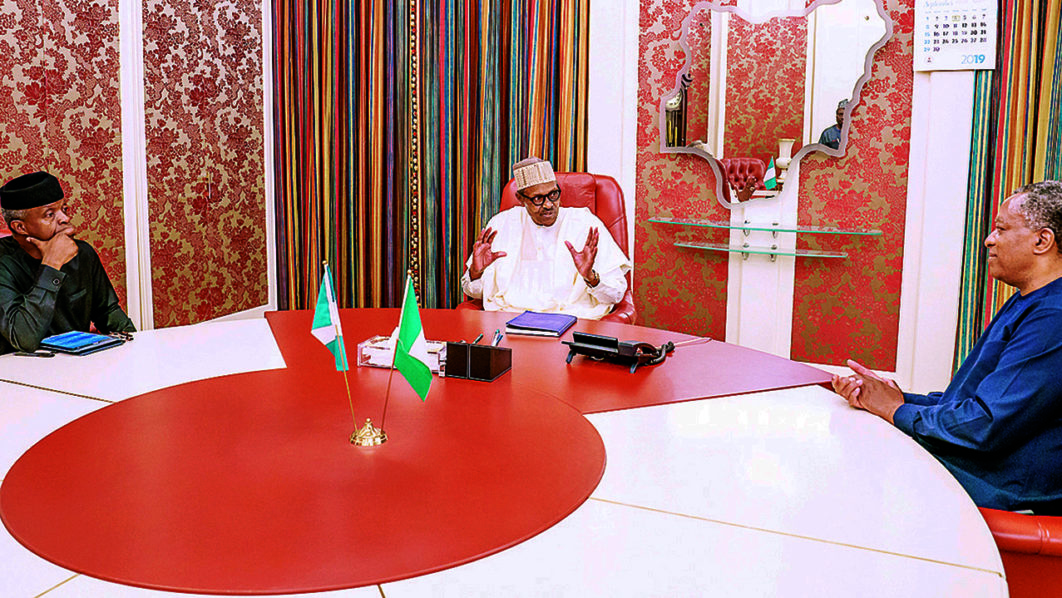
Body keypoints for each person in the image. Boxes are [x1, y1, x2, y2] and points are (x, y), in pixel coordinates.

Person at [832, 180, 1062, 514]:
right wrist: (894, 397)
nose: (989, 239)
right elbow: (969, 403)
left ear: (1042, 241)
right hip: (983, 468)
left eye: (1001, 229)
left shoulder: (1053, 316)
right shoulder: (1030, 301)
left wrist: (894, 409)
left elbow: (984, 424)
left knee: (851, 475)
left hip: (1002, 489)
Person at [460, 157, 631, 320]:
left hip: (571, 320)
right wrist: (476, 272)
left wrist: (590, 277)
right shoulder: (501, 224)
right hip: (509, 319)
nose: (548, 204)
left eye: (553, 194)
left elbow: (615, 295)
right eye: (538, 199)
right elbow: (475, 293)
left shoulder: (585, 224)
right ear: (520, 199)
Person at [0, 171, 135, 353]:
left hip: (77, 365)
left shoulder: (83, 253)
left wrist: (137, 349)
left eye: (63, 209)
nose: (65, 219)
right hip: (19, 367)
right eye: (50, 214)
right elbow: (25, 339)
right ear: (20, 227)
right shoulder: (4, 263)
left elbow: (108, 313)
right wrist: (52, 264)